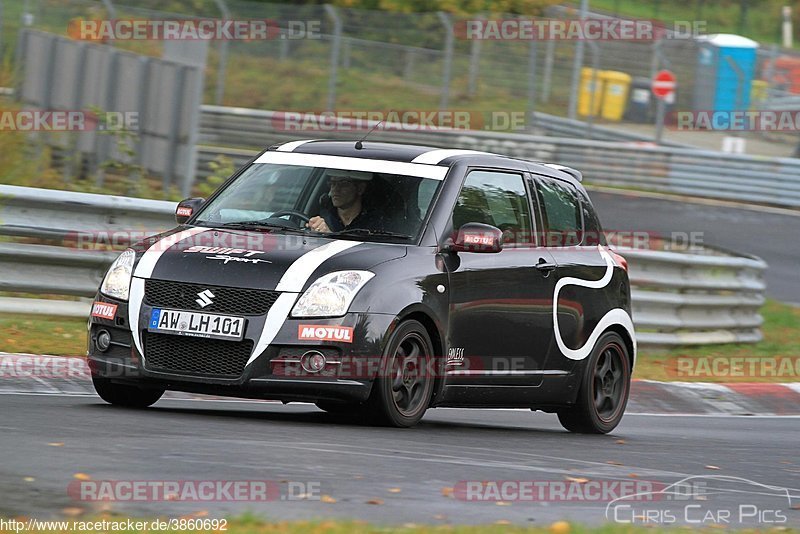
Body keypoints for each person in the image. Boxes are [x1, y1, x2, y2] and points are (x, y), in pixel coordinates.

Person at [307, 170, 384, 233]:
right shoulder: (323, 218)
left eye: (343, 184)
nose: (335, 189)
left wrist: (329, 236)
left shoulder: (375, 224)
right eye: (332, 184)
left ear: (360, 189)